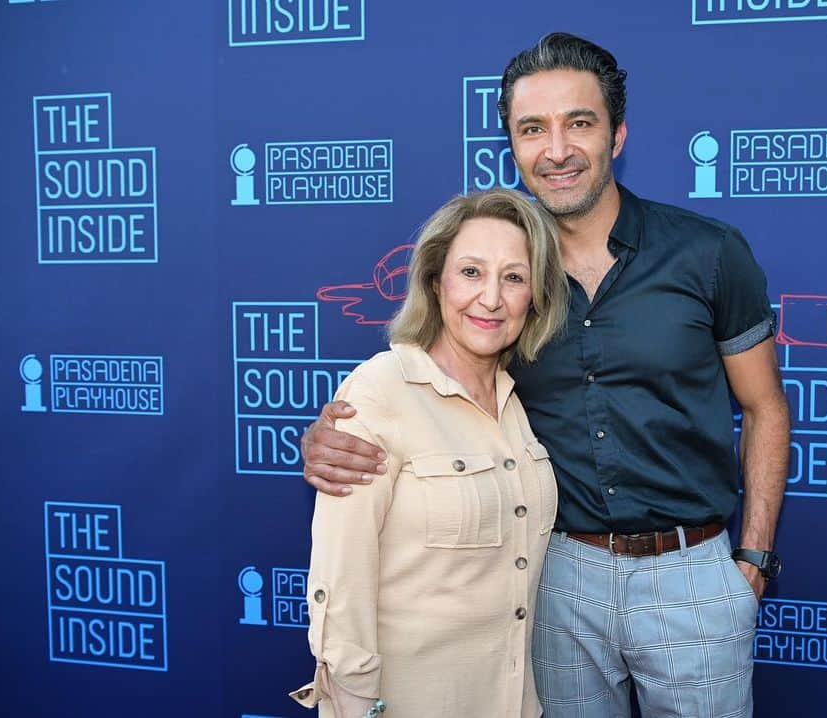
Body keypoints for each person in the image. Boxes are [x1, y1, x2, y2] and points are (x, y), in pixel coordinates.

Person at [301, 33, 791, 718]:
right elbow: (429, 388)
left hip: (693, 572)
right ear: (512, 142)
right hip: (557, 581)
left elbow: (765, 407)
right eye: (533, 128)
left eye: (579, 123)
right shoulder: (505, 284)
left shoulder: (708, 254)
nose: (556, 149)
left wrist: (753, 561)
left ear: (617, 135)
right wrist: (333, 433)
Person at [289, 187, 569, 718]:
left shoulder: (516, 406)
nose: (491, 298)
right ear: (435, 281)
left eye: (514, 277)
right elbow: (340, 575)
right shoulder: (380, 390)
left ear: (534, 296)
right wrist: (354, 704)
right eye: (470, 272)